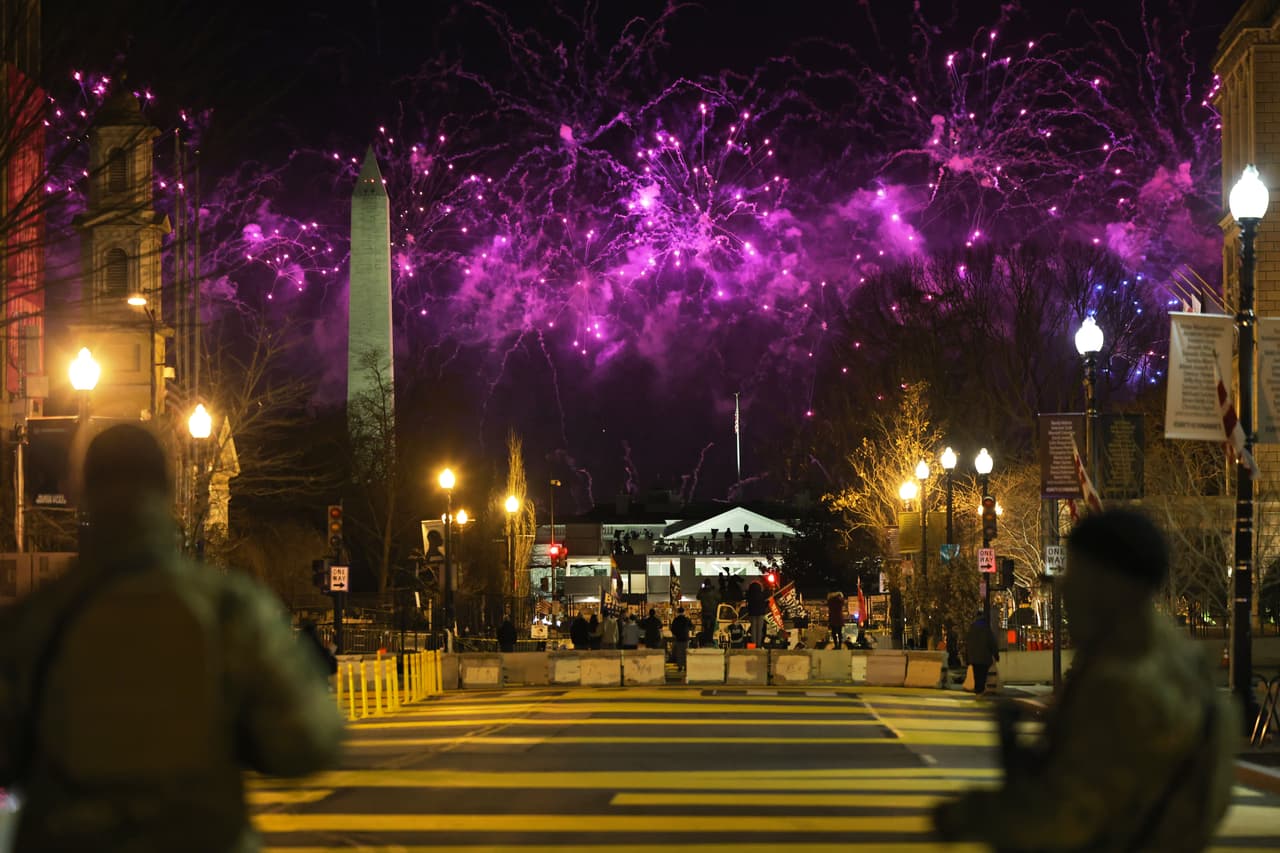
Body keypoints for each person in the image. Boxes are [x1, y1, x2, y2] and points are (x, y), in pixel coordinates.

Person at [0, 423, 344, 852]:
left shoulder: (34, 621)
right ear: (168, 493)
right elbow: (307, 744)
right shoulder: (228, 610)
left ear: (77, 491)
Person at [933, 509, 1239, 851]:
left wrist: (968, 815)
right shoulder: (1184, 663)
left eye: (1075, 582)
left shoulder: (1118, 686)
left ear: (1108, 588)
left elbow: (1062, 821)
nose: (1066, 596)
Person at [965, 612, 999, 694]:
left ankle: (978, 689)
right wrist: (996, 655)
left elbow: (968, 643)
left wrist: (967, 657)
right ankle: (981, 689)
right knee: (983, 675)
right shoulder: (986, 628)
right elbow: (992, 643)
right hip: (984, 657)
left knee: (976, 674)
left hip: (974, 657)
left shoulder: (972, 628)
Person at [745, 580, 768, 647]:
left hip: (752, 613)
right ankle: (759, 644)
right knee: (759, 630)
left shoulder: (749, 595)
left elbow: (747, 603)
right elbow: (765, 603)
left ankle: (753, 644)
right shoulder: (762, 594)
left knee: (753, 629)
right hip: (760, 613)